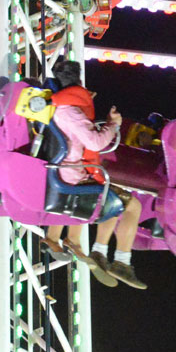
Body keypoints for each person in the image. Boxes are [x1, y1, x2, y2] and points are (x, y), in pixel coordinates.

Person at [41, 59, 147, 289]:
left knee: (102, 190)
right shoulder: (70, 110)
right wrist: (113, 125)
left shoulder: (56, 104)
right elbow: (96, 142)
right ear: (78, 82)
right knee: (130, 205)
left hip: (64, 170)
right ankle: (120, 261)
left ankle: (72, 241)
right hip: (72, 174)